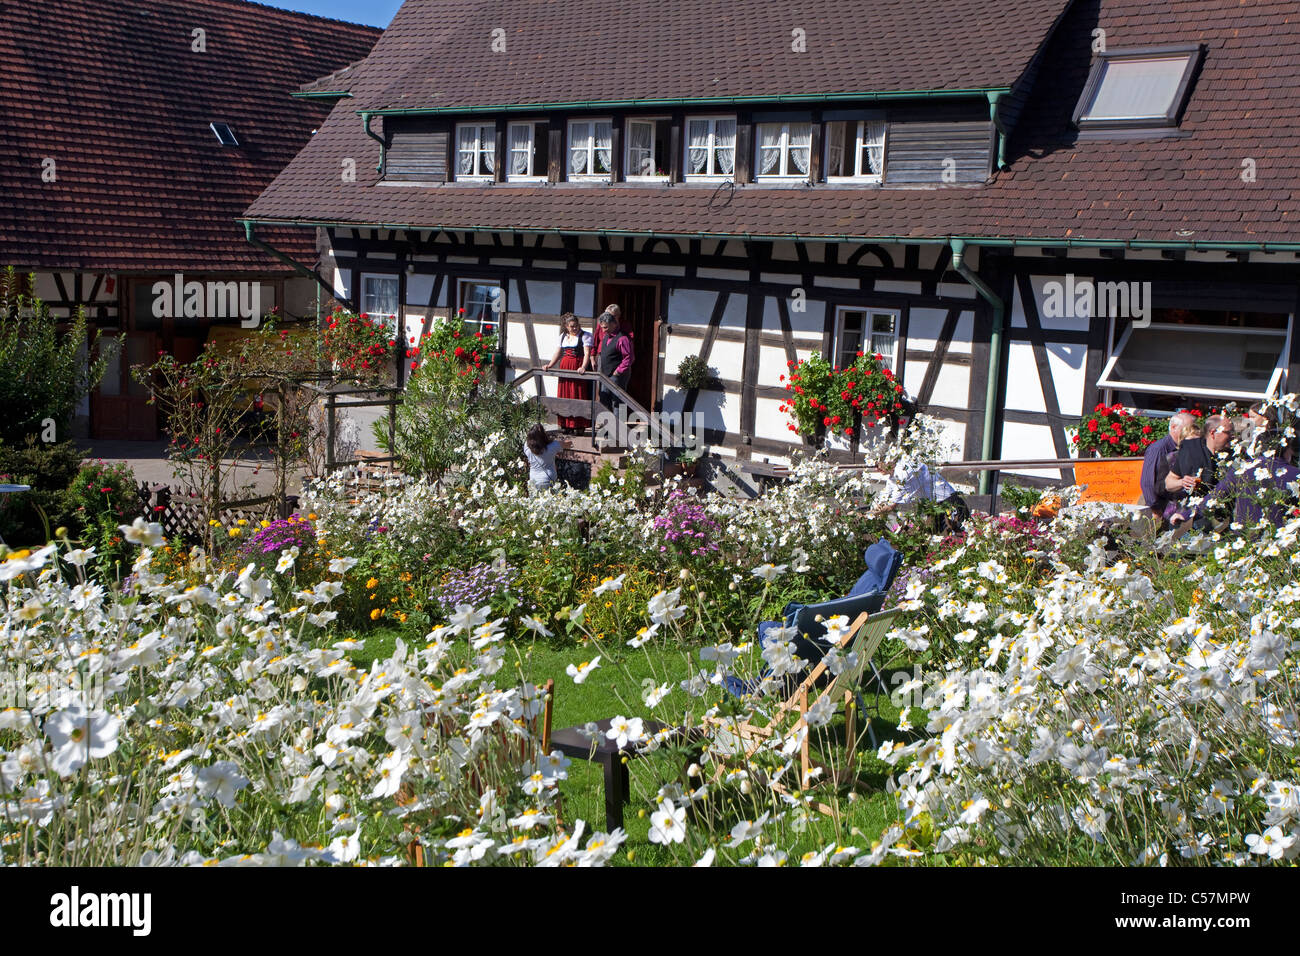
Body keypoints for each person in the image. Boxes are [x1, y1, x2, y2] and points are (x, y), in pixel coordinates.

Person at [870, 456, 969, 534]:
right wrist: (874, 508)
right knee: (931, 538)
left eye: (877, 464)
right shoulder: (893, 476)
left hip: (949, 505)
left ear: (888, 460)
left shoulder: (905, 471)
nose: (876, 469)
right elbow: (886, 496)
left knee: (958, 537)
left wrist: (870, 514)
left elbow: (891, 505)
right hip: (935, 508)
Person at [542, 313, 593, 433]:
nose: (574, 328)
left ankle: (579, 424)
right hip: (565, 366)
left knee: (577, 393)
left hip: (577, 366)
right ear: (566, 326)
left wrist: (583, 366)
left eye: (576, 326)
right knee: (565, 394)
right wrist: (549, 365)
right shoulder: (563, 336)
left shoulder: (585, 336)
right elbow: (558, 353)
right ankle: (566, 424)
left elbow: (587, 353)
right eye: (572, 326)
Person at [1140, 411, 1193, 523]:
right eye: (1187, 429)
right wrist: (1156, 510)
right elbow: (1147, 482)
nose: (1190, 433)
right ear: (1173, 427)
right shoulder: (1159, 449)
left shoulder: (1186, 448)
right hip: (1161, 510)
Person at [1167, 414, 1234, 499]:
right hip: (1196, 508)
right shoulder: (1191, 450)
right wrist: (1182, 482)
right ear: (1213, 433)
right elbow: (1169, 482)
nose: (1232, 436)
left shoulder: (1234, 455)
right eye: (1228, 432)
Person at [593, 310, 634, 415]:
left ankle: (618, 429)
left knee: (617, 402)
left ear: (613, 324)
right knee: (604, 399)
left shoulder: (622, 338)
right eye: (602, 327)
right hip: (605, 374)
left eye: (605, 327)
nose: (603, 330)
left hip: (616, 375)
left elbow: (629, 357)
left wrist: (618, 371)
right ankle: (607, 428)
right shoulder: (606, 336)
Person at [524, 424, 570, 493]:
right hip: (548, 479)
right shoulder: (552, 446)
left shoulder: (527, 446)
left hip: (533, 480)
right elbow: (569, 444)